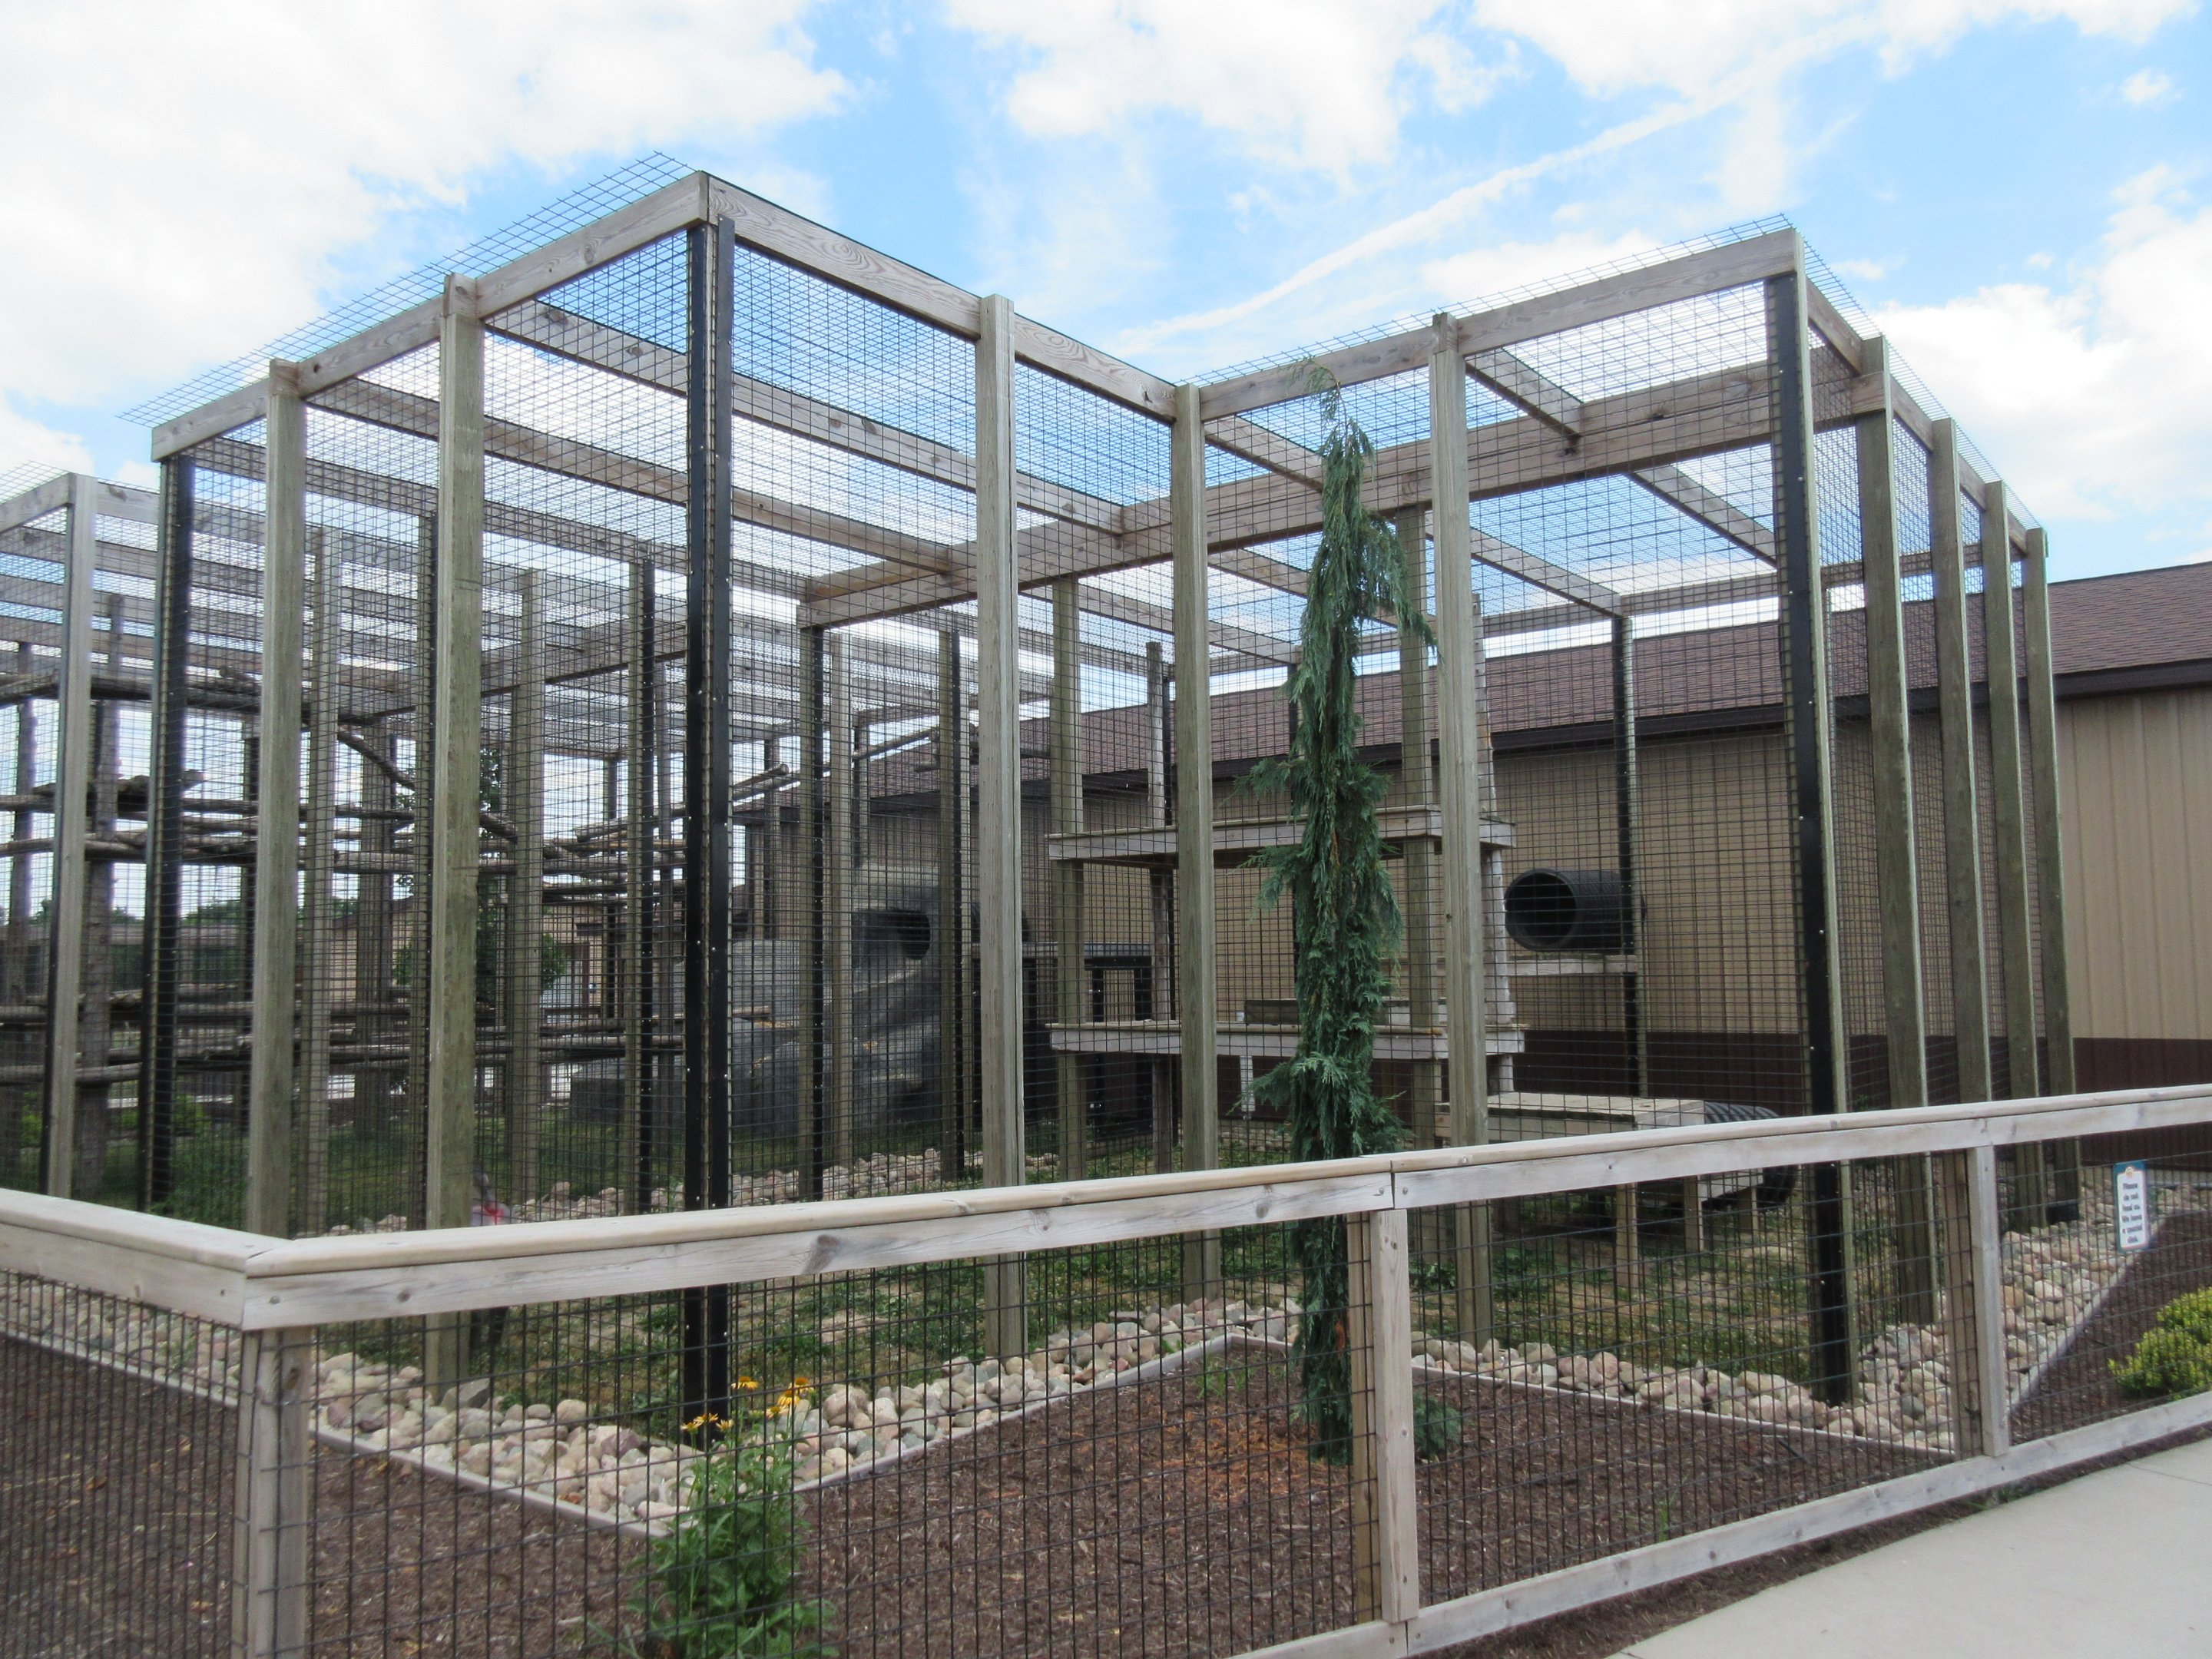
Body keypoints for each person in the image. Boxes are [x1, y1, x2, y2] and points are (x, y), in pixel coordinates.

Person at [469, 1169, 511, 1353]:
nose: (488, 1195)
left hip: (498, 1268)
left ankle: (494, 1341)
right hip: (472, 1269)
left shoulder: (504, 1212)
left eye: (488, 1188)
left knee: (502, 1298)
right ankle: (473, 1347)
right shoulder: (471, 1213)